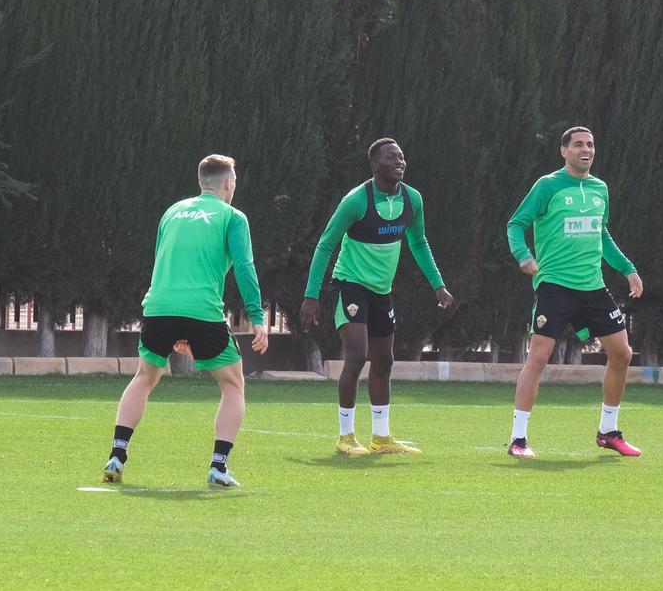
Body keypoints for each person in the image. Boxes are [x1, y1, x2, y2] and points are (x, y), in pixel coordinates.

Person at [102, 155, 269, 488]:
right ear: (228, 184)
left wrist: (174, 324)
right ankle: (219, 467)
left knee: (145, 377)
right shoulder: (233, 217)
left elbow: (163, 260)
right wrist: (257, 317)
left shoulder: (172, 212)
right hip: (202, 310)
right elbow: (244, 266)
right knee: (233, 384)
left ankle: (117, 455)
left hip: (159, 305)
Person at [300, 138, 453, 456]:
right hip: (350, 285)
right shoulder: (356, 201)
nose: (400, 162)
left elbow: (419, 241)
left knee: (385, 361)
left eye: (401, 157)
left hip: (381, 292)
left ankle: (381, 438)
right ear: (375, 165)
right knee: (357, 356)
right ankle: (345, 437)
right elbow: (326, 244)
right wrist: (311, 295)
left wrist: (437, 285)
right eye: (391, 158)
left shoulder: (412, 199)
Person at [504, 126, 643, 459]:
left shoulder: (599, 189)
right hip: (555, 286)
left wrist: (628, 269)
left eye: (591, 144)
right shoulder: (548, 185)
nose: (586, 149)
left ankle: (608, 431)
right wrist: (524, 256)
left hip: (593, 287)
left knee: (622, 354)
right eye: (579, 144)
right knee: (538, 357)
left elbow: (601, 235)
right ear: (563, 151)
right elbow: (515, 224)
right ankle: (518, 439)